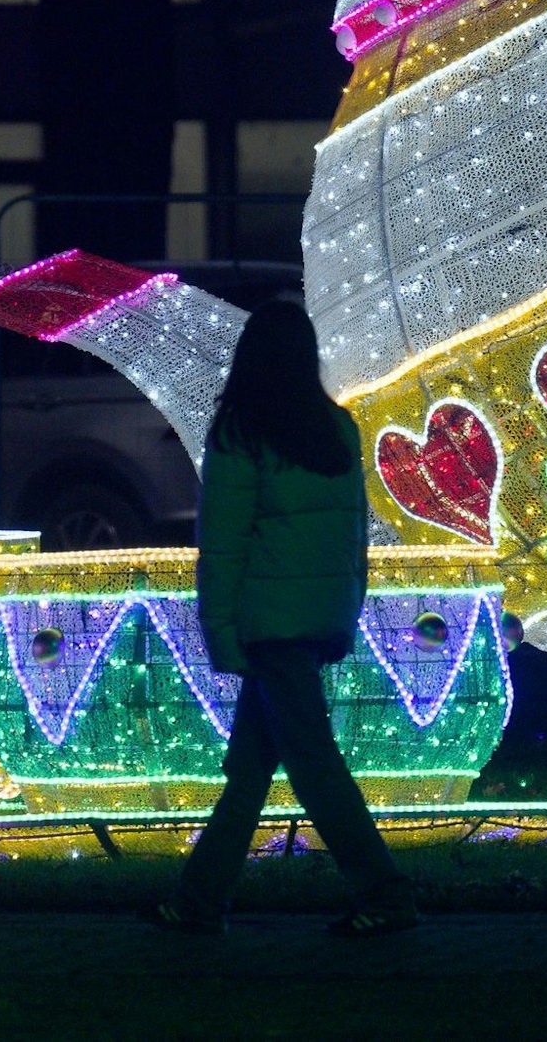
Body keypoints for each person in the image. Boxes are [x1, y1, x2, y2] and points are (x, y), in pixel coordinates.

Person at [143, 299, 418, 937]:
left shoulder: (241, 434)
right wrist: (345, 609)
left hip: (270, 626)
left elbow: (224, 544)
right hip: (318, 617)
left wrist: (220, 632)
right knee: (249, 771)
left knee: (315, 767)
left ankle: (385, 892)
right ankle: (197, 900)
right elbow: (355, 534)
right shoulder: (337, 429)